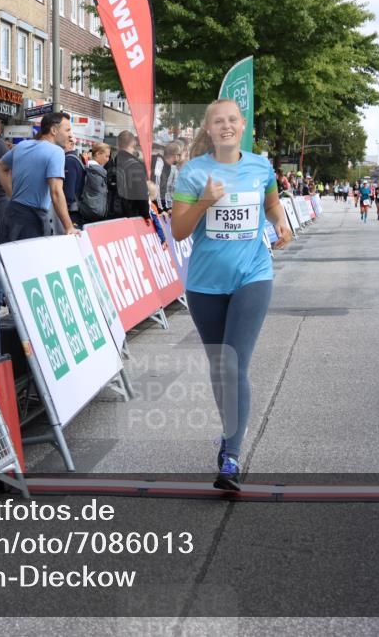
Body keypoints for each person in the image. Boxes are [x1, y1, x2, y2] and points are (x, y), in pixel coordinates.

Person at [170, 99, 292, 492]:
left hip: (253, 276)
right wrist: (205, 201)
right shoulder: (193, 172)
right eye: (217, 121)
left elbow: (271, 205)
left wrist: (281, 223)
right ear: (208, 129)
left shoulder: (260, 166)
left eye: (231, 120)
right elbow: (178, 232)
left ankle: (232, 456)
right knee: (221, 366)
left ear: (242, 126)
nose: (225, 126)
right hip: (205, 284)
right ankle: (229, 435)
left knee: (235, 363)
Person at [0, 111, 77, 240]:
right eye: (67, 130)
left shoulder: (22, 146)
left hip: (11, 215)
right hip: (32, 221)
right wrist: (69, 227)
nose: (70, 136)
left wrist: (13, 195)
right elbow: (55, 192)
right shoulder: (56, 152)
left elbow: (0, 166)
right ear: (54, 130)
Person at [107, 130, 150, 220]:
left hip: (112, 214)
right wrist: (146, 214)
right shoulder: (135, 166)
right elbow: (141, 194)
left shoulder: (112, 163)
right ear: (133, 144)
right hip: (131, 216)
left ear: (118, 144)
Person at [80, 142, 111, 223]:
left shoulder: (88, 167)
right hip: (94, 213)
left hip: (89, 211)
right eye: (106, 156)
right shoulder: (97, 170)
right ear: (97, 154)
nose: (107, 159)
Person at [151, 141, 182, 212]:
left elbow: (164, 190)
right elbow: (156, 188)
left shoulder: (168, 166)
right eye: (179, 155)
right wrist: (161, 210)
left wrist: (167, 208)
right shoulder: (159, 163)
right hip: (152, 207)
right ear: (175, 155)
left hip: (158, 206)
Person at [63, 142, 85, 229]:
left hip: (72, 210)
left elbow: (68, 192)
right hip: (77, 207)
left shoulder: (69, 161)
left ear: (71, 145)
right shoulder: (76, 159)